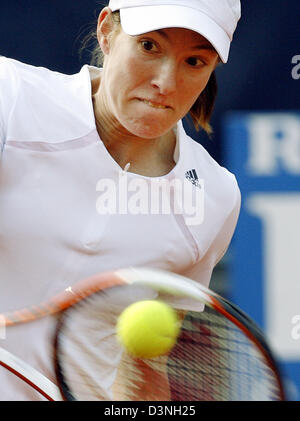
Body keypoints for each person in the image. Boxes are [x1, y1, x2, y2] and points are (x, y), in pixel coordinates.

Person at [0, 0, 241, 400]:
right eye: (149, 46)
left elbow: (147, 370)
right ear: (107, 33)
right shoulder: (11, 99)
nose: (166, 81)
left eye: (194, 61)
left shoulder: (214, 198)